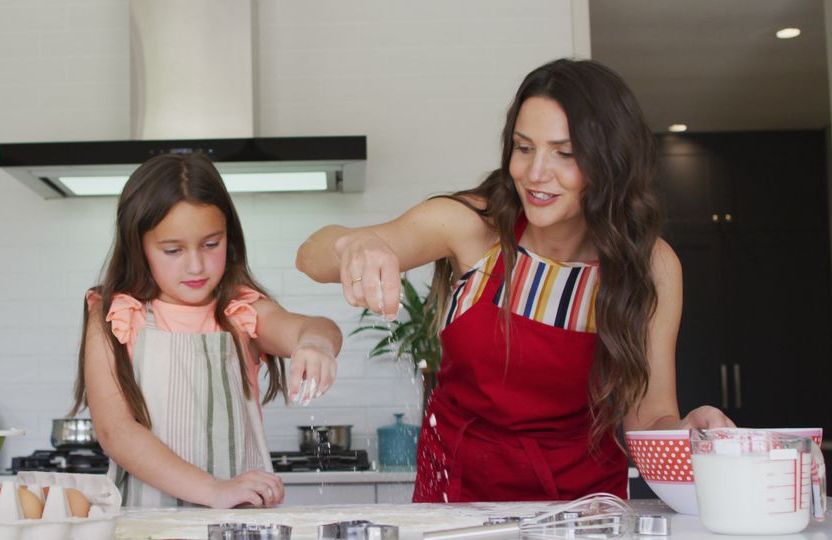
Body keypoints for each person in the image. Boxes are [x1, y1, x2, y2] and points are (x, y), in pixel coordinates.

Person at [296, 59, 734, 502]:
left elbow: (651, 417)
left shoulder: (651, 265)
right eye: (524, 148)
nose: (535, 173)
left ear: (611, 163)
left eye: (564, 153)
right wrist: (354, 246)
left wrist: (687, 429)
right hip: (459, 503)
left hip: (585, 511)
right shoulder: (472, 226)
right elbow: (310, 256)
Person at [71, 152, 342, 508]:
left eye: (211, 244)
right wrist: (214, 489)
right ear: (139, 248)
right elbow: (115, 431)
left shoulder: (239, 311)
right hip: (147, 529)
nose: (196, 265)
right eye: (172, 250)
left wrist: (315, 345)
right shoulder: (115, 314)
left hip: (240, 529)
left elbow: (314, 328)